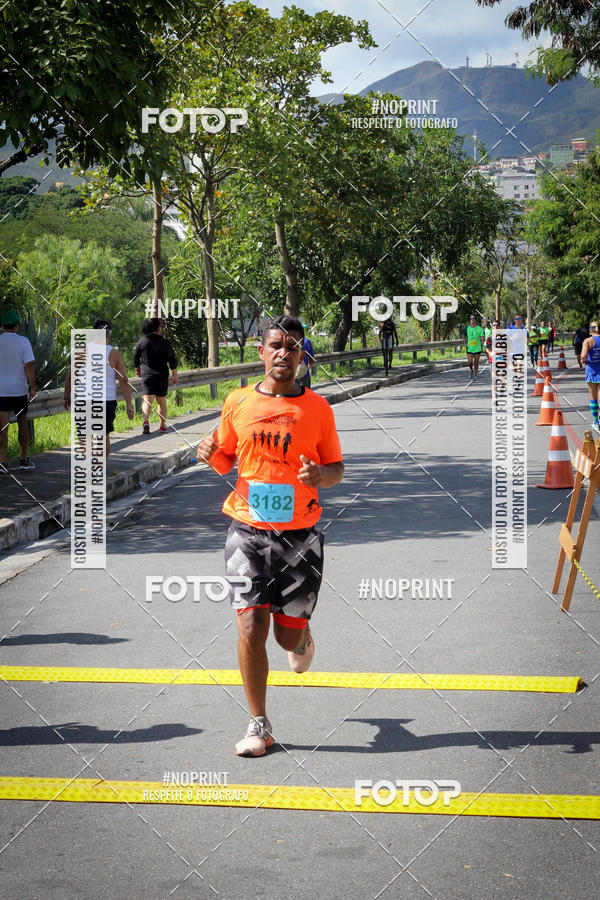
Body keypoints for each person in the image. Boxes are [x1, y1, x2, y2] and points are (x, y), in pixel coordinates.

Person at [196, 315, 344, 757]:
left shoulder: (317, 409)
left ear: (303, 356)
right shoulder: (238, 402)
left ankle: (302, 637)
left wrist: (321, 474)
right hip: (246, 531)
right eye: (276, 345)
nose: (284, 353)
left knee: (284, 638)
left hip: (300, 537)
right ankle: (258, 724)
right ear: (261, 352)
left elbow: (337, 469)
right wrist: (208, 454)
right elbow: (225, 458)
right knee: (249, 624)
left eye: (293, 347)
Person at [63, 319, 134, 456]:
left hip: (84, 401)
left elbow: (70, 376)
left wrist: (66, 396)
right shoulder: (114, 354)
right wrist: (129, 405)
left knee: (85, 436)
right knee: (103, 436)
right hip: (106, 401)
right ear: (109, 336)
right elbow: (124, 381)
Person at [0, 310, 36, 471]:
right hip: (20, 391)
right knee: (22, 423)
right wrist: (32, 387)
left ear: (3, 325)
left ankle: (2, 462)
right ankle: (23, 459)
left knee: (2, 427)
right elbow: (29, 365)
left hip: (1, 392)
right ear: (17, 325)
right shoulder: (23, 342)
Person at [133, 318, 179, 434]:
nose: (162, 328)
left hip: (147, 375)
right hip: (162, 376)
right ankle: (162, 425)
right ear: (158, 327)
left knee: (147, 400)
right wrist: (175, 375)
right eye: (161, 326)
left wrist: (137, 369)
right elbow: (172, 360)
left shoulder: (142, 341)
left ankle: (145, 422)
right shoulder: (165, 342)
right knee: (161, 401)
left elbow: (135, 357)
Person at [581, 321, 600, 432]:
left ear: (591, 329)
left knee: (593, 396)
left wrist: (583, 362)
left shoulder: (588, 341)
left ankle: (595, 422)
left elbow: (583, 355)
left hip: (592, 370)